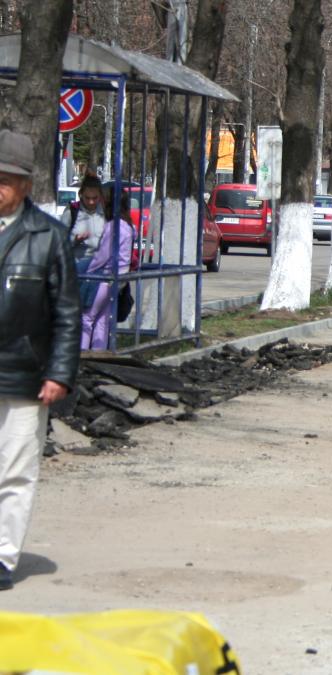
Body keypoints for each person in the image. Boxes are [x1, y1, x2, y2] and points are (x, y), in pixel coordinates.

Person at [0, 130, 81, 591]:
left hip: (25, 372)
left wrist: (59, 373)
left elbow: (68, 312)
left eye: (7, 179)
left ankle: (2, 557)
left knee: (15, 466)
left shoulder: (48, 237)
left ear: (26, 186)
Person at [79, 190, 134, 351]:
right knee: (102, 320)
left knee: (87, 318)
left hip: (105, 277)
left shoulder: (113, 226)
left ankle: (82, 355)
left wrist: (85, 269)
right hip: (118, 278)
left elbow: (102, 256)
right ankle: (99, 353)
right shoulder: (127, 226)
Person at [62, 174, 105, 262]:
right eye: (87, 198)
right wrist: (75, 240)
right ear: (81, 194)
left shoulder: (106, 212)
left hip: (100, 266)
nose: (91, 202)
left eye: (95, 198)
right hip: (77, 267)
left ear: (100, 195)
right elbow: (59, 244)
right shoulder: (72, 211)